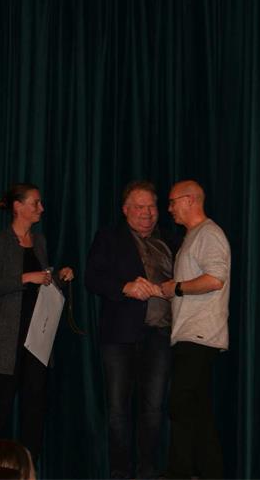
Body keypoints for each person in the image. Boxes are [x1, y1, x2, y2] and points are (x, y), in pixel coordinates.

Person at [85, 180, 179, 479]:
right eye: (139, 207)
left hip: (160, 335)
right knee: (118, 411)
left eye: (152, 206)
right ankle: (120, 473)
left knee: (154, 409)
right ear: (125, 210)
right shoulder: (109, 237)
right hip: (119, 338)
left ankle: (147, 472)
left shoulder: (172, 239)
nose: (147, 213)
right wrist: (125, 287)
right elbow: (92, 278)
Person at [0, 183, 74, 463]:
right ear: (18, 206)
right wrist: (26, 277)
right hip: (9, 336)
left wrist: (59, 277)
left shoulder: (39, 241)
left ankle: (29, 464)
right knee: (1, 401)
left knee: (35, 404)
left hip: (37, 335)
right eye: (35, 203)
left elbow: (43, 283)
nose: (41, 208)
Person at [160, 180, 231, 479]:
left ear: (189, 200)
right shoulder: (194, 236)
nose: (169, 208)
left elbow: (215, 278)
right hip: (191, 335)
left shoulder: (209, 234)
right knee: (196, 410)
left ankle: (179, 472)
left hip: (199, 335)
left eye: (172, 201)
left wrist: (176, 288)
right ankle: (210, 472)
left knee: (181, 404)